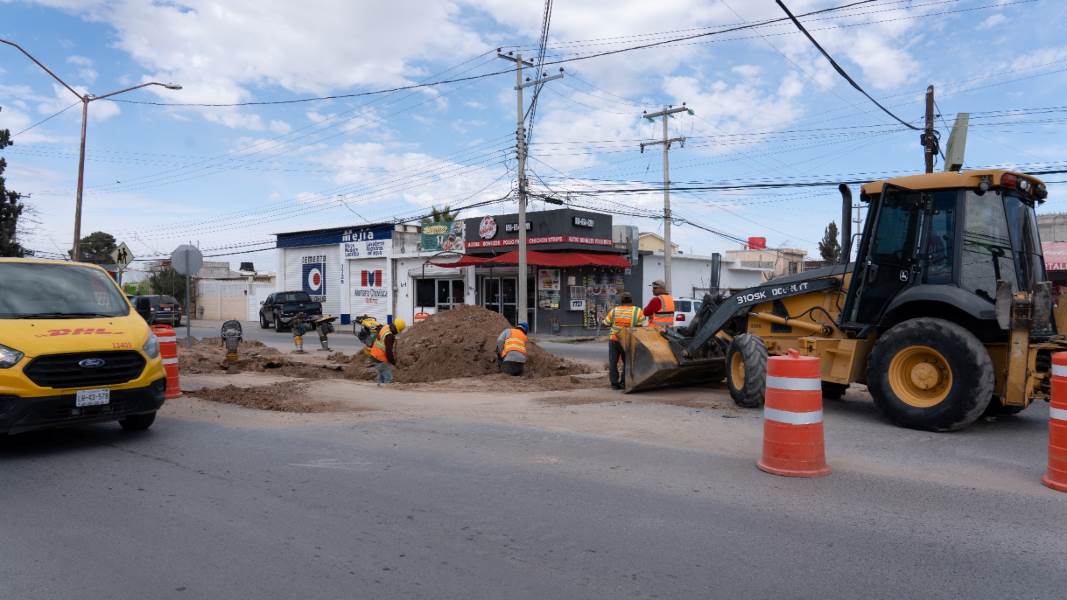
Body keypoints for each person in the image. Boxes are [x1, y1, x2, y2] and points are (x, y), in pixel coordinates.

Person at [602, 291, 645, 389]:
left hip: (614, 339)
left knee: (613, 362)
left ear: (621, 301)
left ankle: (614, 384)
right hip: (628, 340)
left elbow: (606, 323)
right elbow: (641, 325)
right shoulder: (637, 311)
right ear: (631, 300)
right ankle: (624, 382)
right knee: (628, 362)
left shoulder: (614, 311)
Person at [369, 318, 406, 385]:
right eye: (398, 331)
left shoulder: (385, 327)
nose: (397, 333)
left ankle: (379, 389)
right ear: (396, 328)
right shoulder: (389, 336)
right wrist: (393, 362)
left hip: (374, 355)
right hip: (380, 358)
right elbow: (388, 352)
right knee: (388, 378)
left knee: (381, 375)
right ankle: (387, 392)